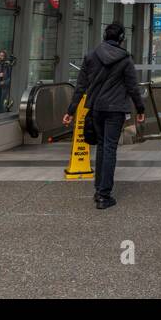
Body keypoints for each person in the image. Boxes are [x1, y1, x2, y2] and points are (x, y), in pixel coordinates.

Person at [63, 24, 146, 209]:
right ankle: (104, 194)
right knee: (109, 149)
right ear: (121, 38)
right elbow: (133, 87)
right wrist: (140, 110)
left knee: (101, 147)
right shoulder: (125, 59)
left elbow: (80, 86)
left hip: (96, 109)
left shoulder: (91, 56)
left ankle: (99, 190)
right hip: (115, 110)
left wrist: (70, 111)